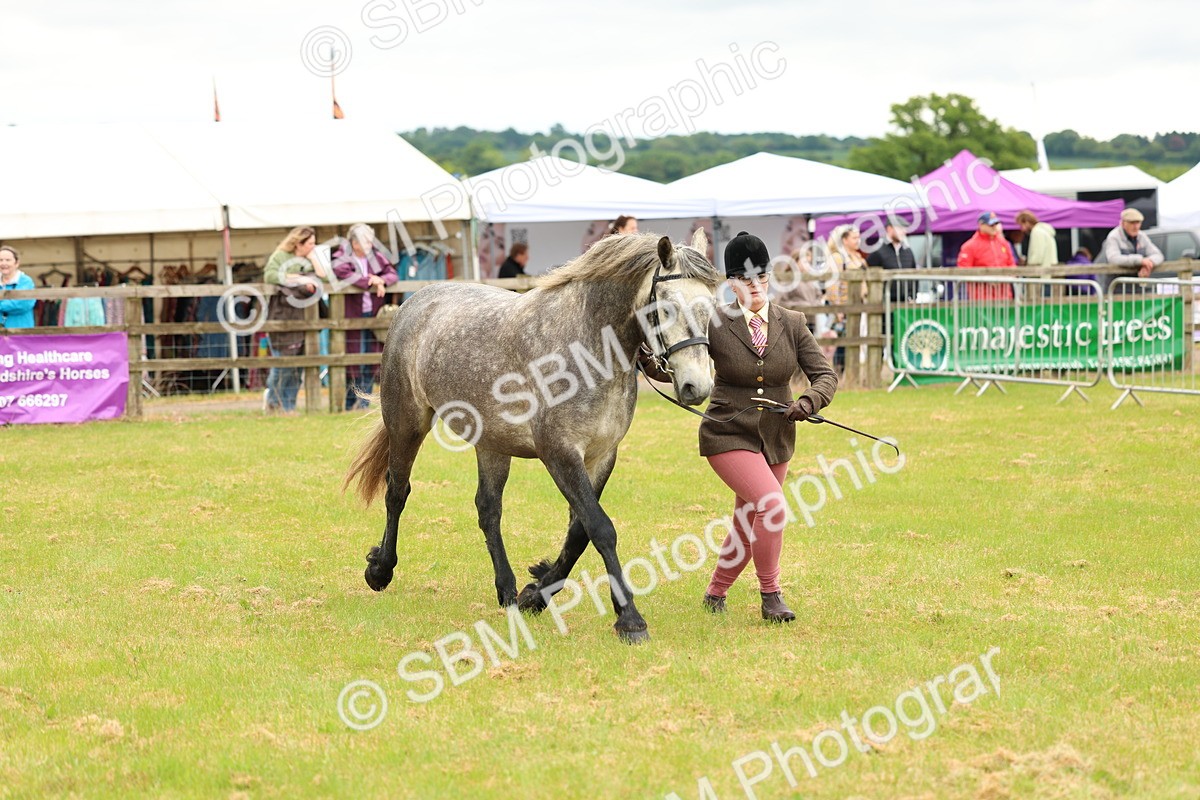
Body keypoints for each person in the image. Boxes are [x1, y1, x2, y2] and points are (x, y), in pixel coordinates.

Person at [641, 232, 838, 623]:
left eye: (762, 278)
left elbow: (825, 376)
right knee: (772, 507)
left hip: (776, 436)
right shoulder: (715, 322)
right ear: (731, 283)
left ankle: (715, 593)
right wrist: (648, 357)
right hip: (727, 432)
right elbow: (682, 360)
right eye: (747, 280)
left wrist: (807, 401)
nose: (756, 287)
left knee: (749, 520)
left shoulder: (793, 322)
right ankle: (771, 595)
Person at [332, 224, 399, 410]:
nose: (370, 244)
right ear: (354, 243)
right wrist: (369, 280)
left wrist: (382, 280)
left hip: (373, 314)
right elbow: (342, 272)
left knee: (371, 359)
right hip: (352, 315)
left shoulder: (375, 257)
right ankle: (348, 403)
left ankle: (364, 403)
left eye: (371, 240)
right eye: (366, 241)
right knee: (352, 359)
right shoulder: (342, 256)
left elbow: (392, 273)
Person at [263, 226, 325, 413]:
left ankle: (288, 406)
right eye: (311, 243)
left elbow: (326, 277)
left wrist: (314, 259)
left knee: (298, 366)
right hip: (282, 316)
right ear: (299, 243)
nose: (314, 246)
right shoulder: (281, 256)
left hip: (304, 318)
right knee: (283, 364)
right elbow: (270, 275)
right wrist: (297, 278)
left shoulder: (310, 259)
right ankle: (273, 402)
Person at [957, 212, 1014, 300]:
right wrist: (985, 279)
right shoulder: (969, 246)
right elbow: (964, 270)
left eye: (996, 224)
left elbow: (1012, 265)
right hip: (981, 297)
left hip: (1005, 297)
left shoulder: (1003, 243)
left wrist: (1007, 277)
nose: (994, 227)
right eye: (991, 224)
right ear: (981, 225)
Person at [1100, 208, 1163, 280]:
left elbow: (1158, 255)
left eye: (1138, 222)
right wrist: (1140, 261)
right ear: (1123, 223)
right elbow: (1114, 258)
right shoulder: (1113, 237)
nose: (1136, 226)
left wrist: (1149, 263)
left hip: (1137, 286)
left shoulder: (1142, 236)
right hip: (1116, 287)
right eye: (1132, 223)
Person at [866, 221, 917, 302]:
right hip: (884, 304)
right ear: (889, 229)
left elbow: (915, 275)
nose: (904, 231)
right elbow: (868, 278)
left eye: (905, 229)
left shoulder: (908, 251)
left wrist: (914, 296)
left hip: (906, 303)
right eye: (900, 228)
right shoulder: (877, 251)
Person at [0, 246, 36, 329]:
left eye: (8, 260)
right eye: (0, 260)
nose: (3, 263)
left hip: (20, 334)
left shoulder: (26, 281)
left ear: (16, 263)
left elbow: (22, 304)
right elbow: (14, 303)